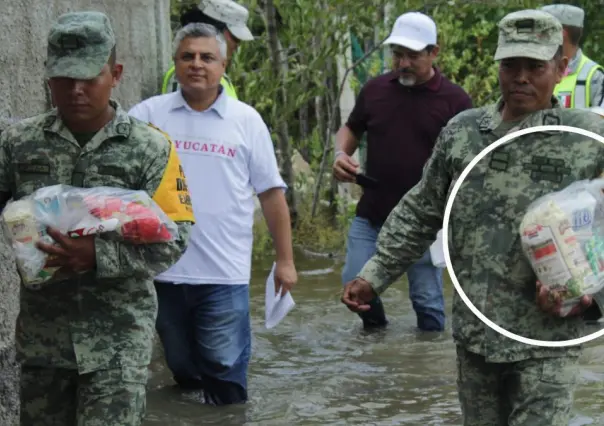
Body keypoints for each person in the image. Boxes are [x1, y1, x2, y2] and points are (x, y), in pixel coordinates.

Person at [341, 9, 604, 426]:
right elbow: (422, 209)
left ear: (561, 68)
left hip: (549, 340)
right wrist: (374, 274)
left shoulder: (585, 138)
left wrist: (590, 298)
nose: (521, 77)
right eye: (510, 65)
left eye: (535, 67)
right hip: (475, 338)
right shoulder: (464, 133)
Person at [0, 11, 195, 426]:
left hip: (117, 343)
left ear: (115, 73)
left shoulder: (150, 148)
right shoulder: (17, 144)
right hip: (42, 341)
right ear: (47, 75)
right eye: (63, 78)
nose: (75, 90)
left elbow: (176, 240)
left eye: (89, 77)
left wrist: (97, 256)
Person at [129, 23, 297, 405]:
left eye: (207, 57)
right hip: (162, 268)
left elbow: (271, 195)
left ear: (223, 65)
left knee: (224, 370)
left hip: (225, 272)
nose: (197, 65)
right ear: (175, 63)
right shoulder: (147, 116)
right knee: (182, 365)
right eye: (188, 56)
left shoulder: (246, 121)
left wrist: (285, 261)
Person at [333, 11, 472, 331]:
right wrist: (341, 154)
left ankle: (426, 370)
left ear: (434, 52)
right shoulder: (375, 90)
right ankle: (377, 336)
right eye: (397, 55)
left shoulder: (456, 102)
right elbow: (350, 129)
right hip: (372, 213)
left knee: (428, 307)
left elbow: (471, 164)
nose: (403, 63)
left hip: (422, 224)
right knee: (354, 287)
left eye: (412, 56)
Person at [161, 0, 254, 98]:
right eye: (235, 37)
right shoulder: (188, 74)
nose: (237, 44)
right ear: (214, 31)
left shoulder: (216, 73)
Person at [540, 4, 604, 108]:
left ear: (561, 33)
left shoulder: (595, 77)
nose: (537, 35)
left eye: (543, 31)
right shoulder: (534, 71)